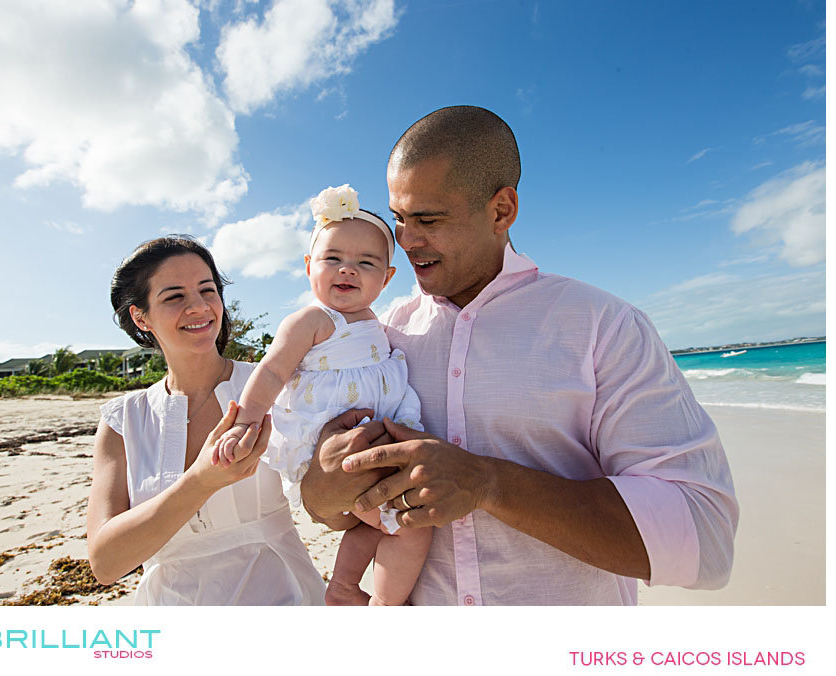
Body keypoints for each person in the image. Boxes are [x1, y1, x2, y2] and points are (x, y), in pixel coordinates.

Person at [299, 105, 739, 606]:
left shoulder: (603, 325)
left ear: (502, 210)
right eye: (399, 219)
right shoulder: (380, 334)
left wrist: (488, 483)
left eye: (429, 219)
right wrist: (324, 480)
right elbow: (323, 509)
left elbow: (704, 534)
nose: (406, 241)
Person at [214, 184, 432, 606]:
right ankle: (386, 605)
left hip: (371, 444)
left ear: (387, 278)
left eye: (365, 263)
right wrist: (245, 422)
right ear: (309, 265)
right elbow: (273, 370)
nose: (347, 270)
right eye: (333, 259)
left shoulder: (378, 323)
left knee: (369, 524)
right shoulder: (313, 319)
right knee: (409, 525)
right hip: (328, 446)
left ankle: (345, 586)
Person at [86, 235, 326, 605]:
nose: (199, 307)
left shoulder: (279, 386)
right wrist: (200, 481)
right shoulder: (124, 421)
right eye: (174, 296)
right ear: (141, 317)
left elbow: (330, 497)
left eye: (207, 290)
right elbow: (105, 563)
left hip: (283, 598)